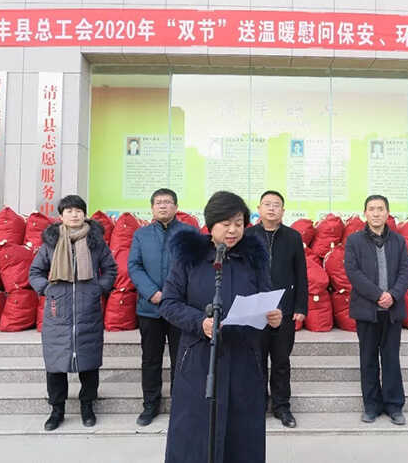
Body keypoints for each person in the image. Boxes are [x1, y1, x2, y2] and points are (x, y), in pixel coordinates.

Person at [159, 191, 283, 463]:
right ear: (211, 224)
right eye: (226, 224)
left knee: (241, 435)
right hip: (199, 359)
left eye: (239, 223)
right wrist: (199, 322)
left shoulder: (254, 259)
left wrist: (273, 317)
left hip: (243, 358)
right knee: (195, 432)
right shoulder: (189, 258)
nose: (233, 230)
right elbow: (169, 303)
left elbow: (266, 298)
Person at [29, 195, 118, 431]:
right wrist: (47, 289)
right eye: (68, 211)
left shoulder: (96, 243)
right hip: (58, 312)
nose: (74, 214)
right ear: (61, 216)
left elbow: (110, 269)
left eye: (78, 210)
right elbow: (35, 272)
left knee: (89, 364)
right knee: (55, 366)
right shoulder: (51, 244)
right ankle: (56, 410)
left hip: (88, 311)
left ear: (84, 214)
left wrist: (99, 288)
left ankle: (87, 406)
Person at [128, 188, 195, 426]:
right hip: (150, 308)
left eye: (167, 202)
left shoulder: (189, 233)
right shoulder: (141, 234)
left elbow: (195, 266)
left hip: (180, 309)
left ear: (176, 207)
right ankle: (150, 405)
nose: (163, 206)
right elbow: (134, 266)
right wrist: (152, 293)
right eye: (158, 202)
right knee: (151, 359)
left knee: (181, 359)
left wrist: (175, 296)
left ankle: (181, 404)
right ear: (152, 208)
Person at [344, 195, 408, 425]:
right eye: (371, 209)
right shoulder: (354, 241)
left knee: (391, 358)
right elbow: (353, 273)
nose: (376, 213)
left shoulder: (399, 241)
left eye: (380, 209)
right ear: (365, 213)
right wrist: (377, 295)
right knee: (368, 359)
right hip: (366, 310)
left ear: (387, 213)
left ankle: (394, 406)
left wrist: (392, 295)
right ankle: (371, 406)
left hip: (392, 311)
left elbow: (405, 272)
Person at [245, 190, 307, 428]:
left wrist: (300, 306)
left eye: (276, 205)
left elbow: (301, 273)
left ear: (283, 210)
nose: (271, 208)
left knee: (281, 361)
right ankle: (257, 404)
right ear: (259, 209)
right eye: (267, 204)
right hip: (255, 309)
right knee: (256, 360)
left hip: (284, 310)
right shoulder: (248, 236)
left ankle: (282, 406)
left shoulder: (293, 237)